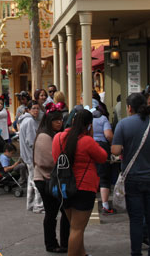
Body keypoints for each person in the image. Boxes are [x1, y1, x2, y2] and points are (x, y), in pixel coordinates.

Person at [112, 93, 150, 256]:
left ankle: (136, 252)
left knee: (135, 219)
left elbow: (115, 150)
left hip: (133, 177)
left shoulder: (123, 124)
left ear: (129, 108)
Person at [52, 109, 107, 256]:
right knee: (77, 229)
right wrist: (91, 135)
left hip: (63, 187)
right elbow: (102, 157)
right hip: (84, 187)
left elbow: (54, 158)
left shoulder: (57, 138)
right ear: (89, 125)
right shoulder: (87, 141)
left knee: (74, 227)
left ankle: (81, 253)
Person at [33, 109, 69, 253]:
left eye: (60, 119)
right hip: (45, 179)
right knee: (53, 212)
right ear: (49, 121)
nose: (59, 122)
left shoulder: (52, 134)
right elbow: (48, 161)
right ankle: (52, 243)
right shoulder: (44, 136)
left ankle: (59, 243)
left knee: (57, 212)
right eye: (56, 120)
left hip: (51, 178)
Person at [19, 100, 44, 213]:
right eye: (33, 108)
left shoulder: (26, 120)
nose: (36, 111)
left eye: (38, 108)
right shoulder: (29, 121)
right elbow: (31, 141)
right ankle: (38, 206)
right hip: (31, 155)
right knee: (37, 181)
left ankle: (30, 204)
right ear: (28, 110)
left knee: (31, 180)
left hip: (28, 156)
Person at [91, 107, 115, 214]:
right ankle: (105, 205)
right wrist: (111, 143)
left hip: (89, 145)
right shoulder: (103, 119)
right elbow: (108, 135)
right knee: (104, 175)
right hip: (102, 146)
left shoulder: (86, 118)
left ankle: (91, 204)